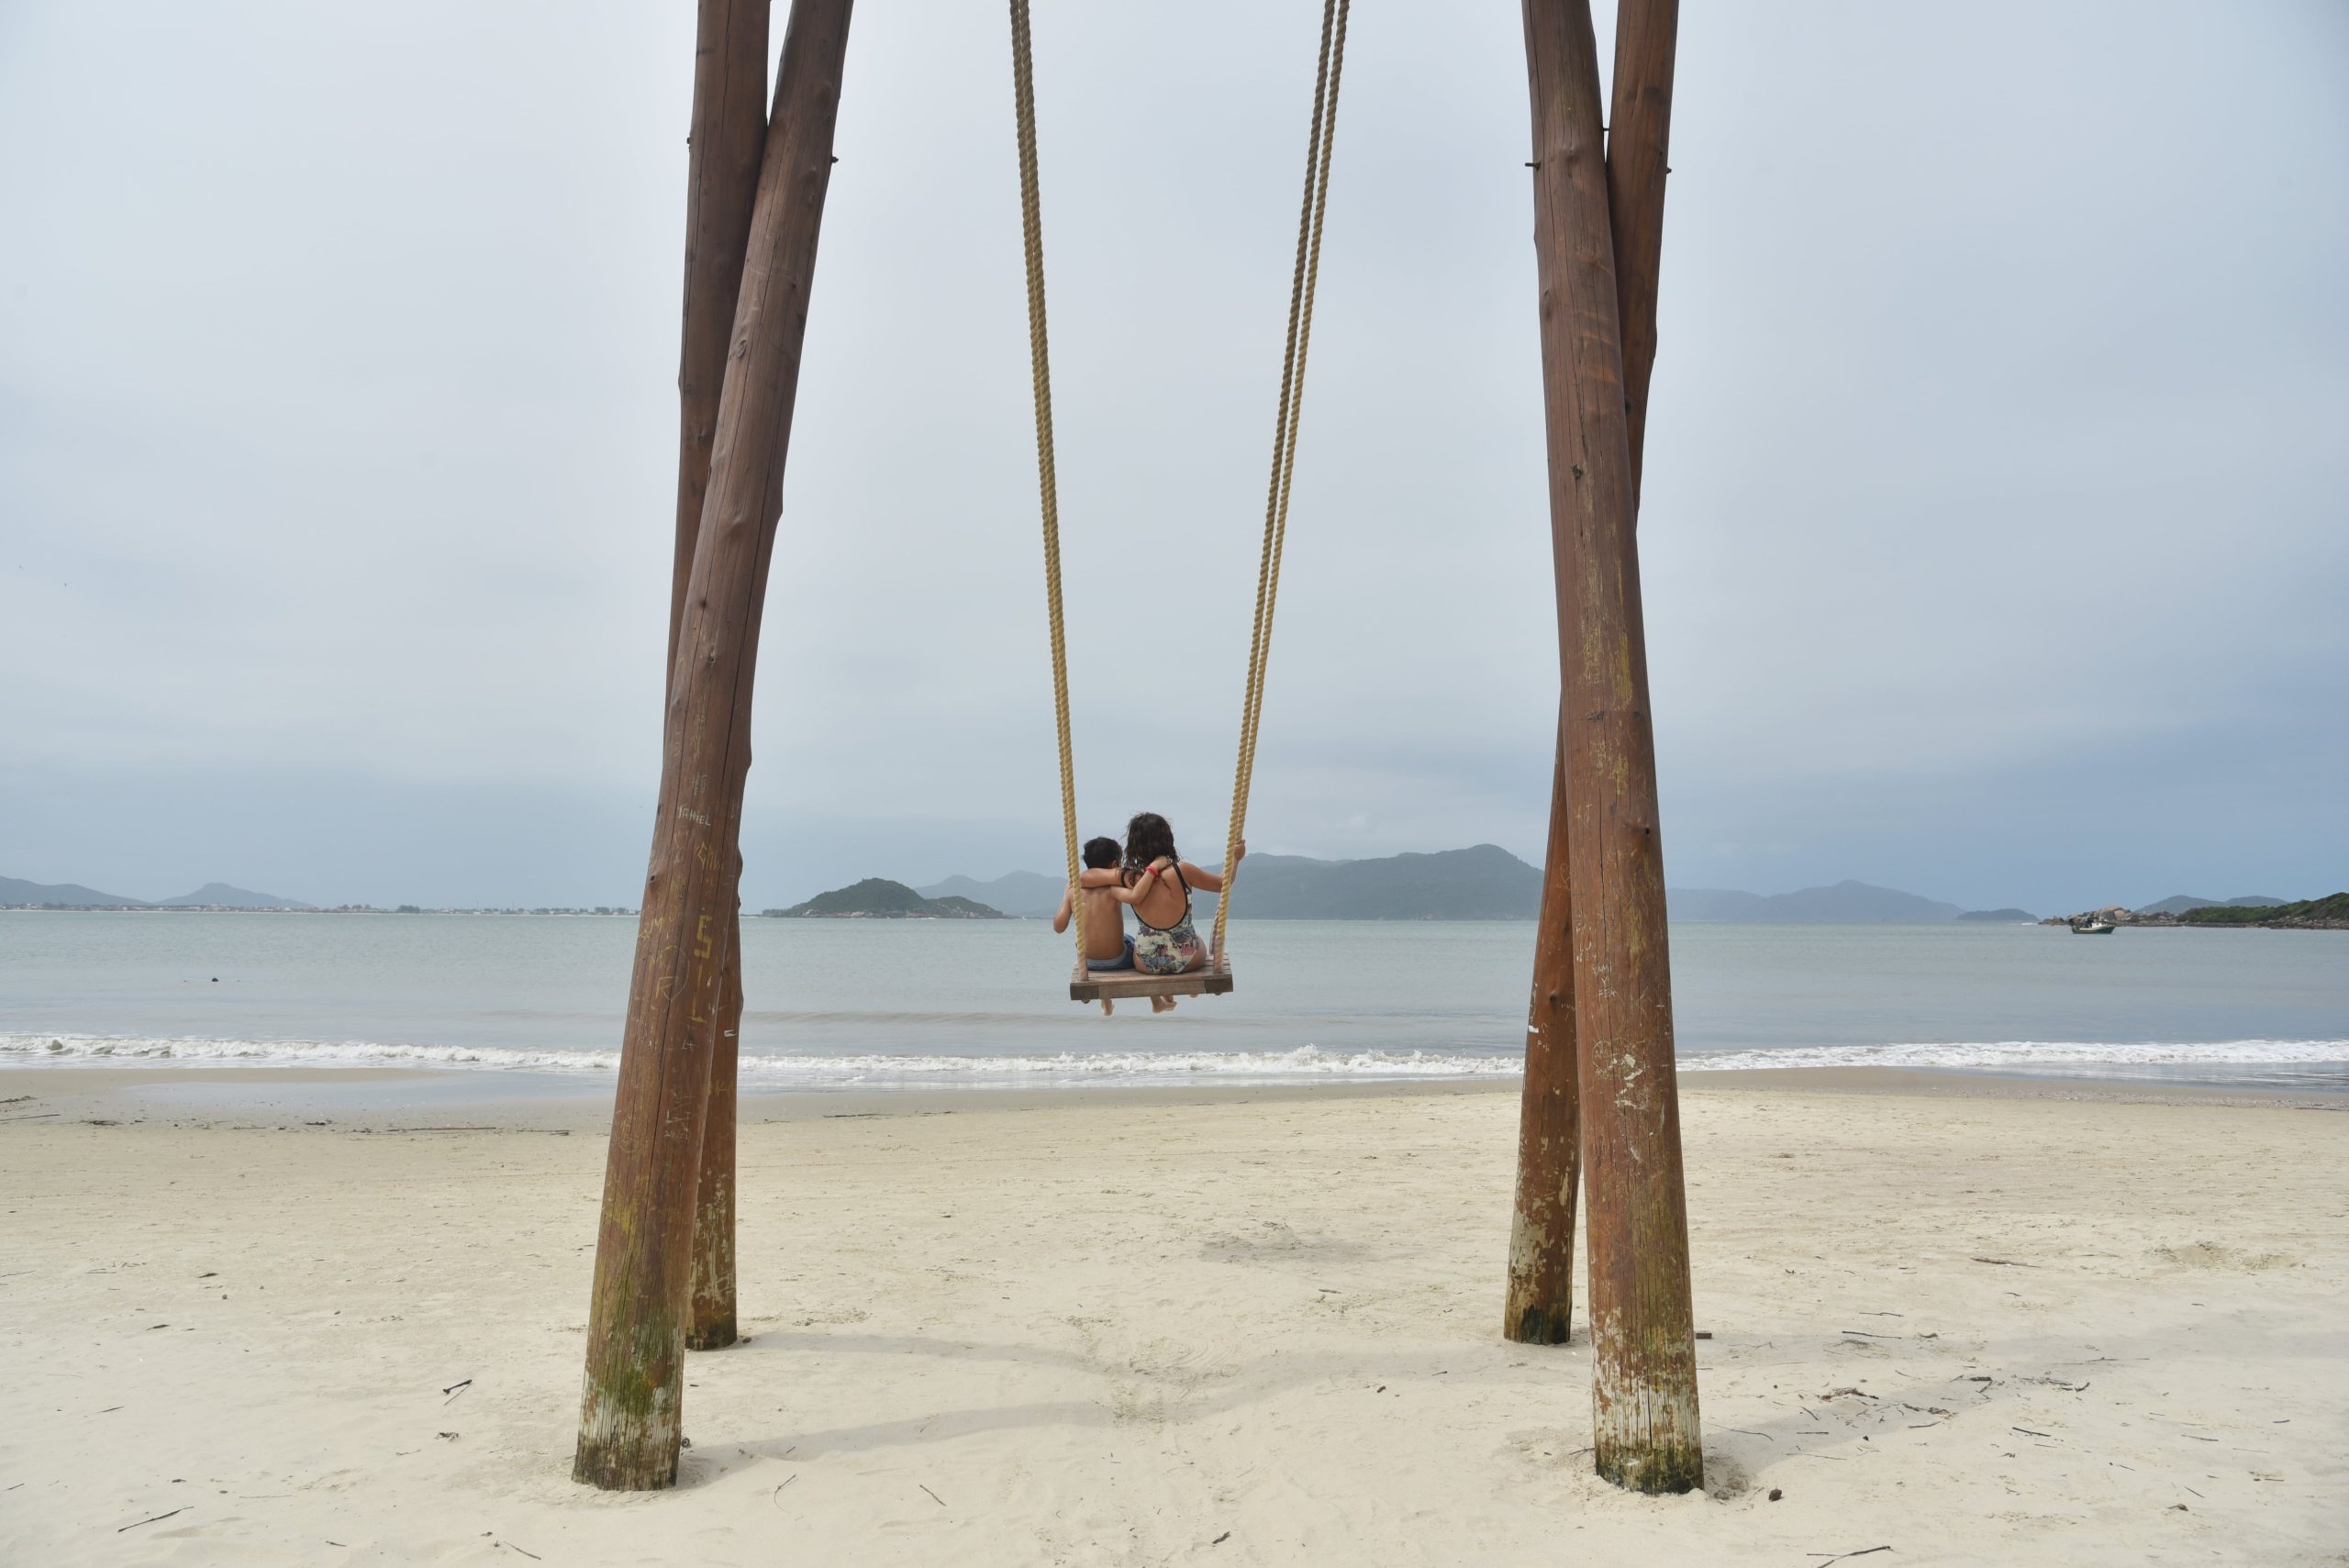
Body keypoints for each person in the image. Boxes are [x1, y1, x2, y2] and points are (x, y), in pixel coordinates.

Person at [1104, 812, 1241, 1014]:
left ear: (1133, 845)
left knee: (1138, 942)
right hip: (1187, 961)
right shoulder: (1182, 871)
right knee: (1200, 942)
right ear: (1167, 840)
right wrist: (1236, 858)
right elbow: (1223, 884)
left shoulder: (1130, 877)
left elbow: (1092, 879)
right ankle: (1189, 988)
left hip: (1145, 963)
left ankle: (1167, 995)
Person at [1054, 836, 1132, 1015]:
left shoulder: (1073, 890)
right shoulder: (1114, 888)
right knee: (1134, 942)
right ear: (1114, 865)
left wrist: (1065, 895)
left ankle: (1106, 1000)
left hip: (1089, 963)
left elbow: (1058, 927)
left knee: (1121, 939)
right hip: (1117, 960)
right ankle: (1158, 999)